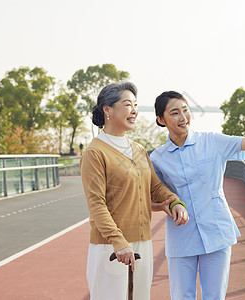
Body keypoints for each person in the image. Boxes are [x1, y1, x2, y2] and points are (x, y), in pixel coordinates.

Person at [149, 91, 245, 300]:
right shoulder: (158, 158)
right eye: (175, 113)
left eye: (185, 110)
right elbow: (152, 198)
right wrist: (168, 207)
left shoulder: (212, 141)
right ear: (161, 120)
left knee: (214, 297)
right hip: (181, 236)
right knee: (181, 297)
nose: (183, 117)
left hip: (216, 231)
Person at [80, 82, 189, 300]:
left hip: (142, 242)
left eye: (136, 105)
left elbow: (155, 187)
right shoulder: (95, 152)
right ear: (107, 110)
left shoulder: (138, 150)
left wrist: (174, 201)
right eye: (127, 104)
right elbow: (97, 204)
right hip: (111, 246)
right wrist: (118, 241)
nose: (134, 111)